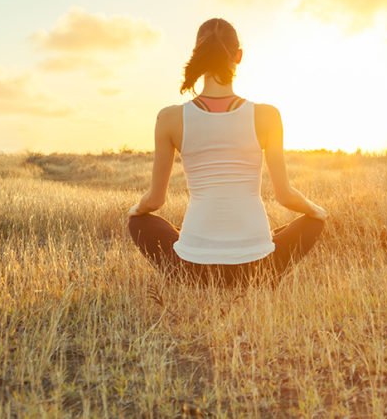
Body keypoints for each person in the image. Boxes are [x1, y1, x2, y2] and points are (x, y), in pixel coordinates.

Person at [126, 17, 327, 288]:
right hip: (257, 268)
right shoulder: (267, 115)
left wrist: (135, 210)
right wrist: (317, 212)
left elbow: (154, 201)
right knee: (311, 222)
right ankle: (257, 272)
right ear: (239, 56)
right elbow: (285, 196)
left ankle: (190, 269)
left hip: (193, 268)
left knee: (139, 222)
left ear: (196, 55)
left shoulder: (170, 118)